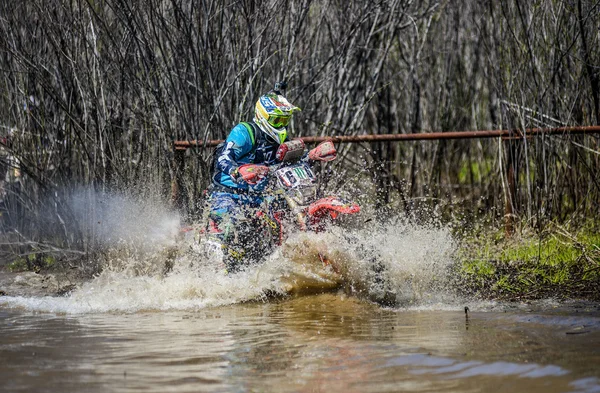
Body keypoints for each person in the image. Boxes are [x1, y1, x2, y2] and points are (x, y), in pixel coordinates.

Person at [207, 83, 301, 271]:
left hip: (261, 197)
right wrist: (238, 170)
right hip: (229, 193)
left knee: (282, 221)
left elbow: (289, 162)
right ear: (263, 117)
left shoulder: (281, 138)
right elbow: (223, 157)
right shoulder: (245, 131)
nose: (281, 125)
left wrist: (311, 155)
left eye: (285, 120)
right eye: (277, 121)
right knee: (227, 224)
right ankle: (214, 270)